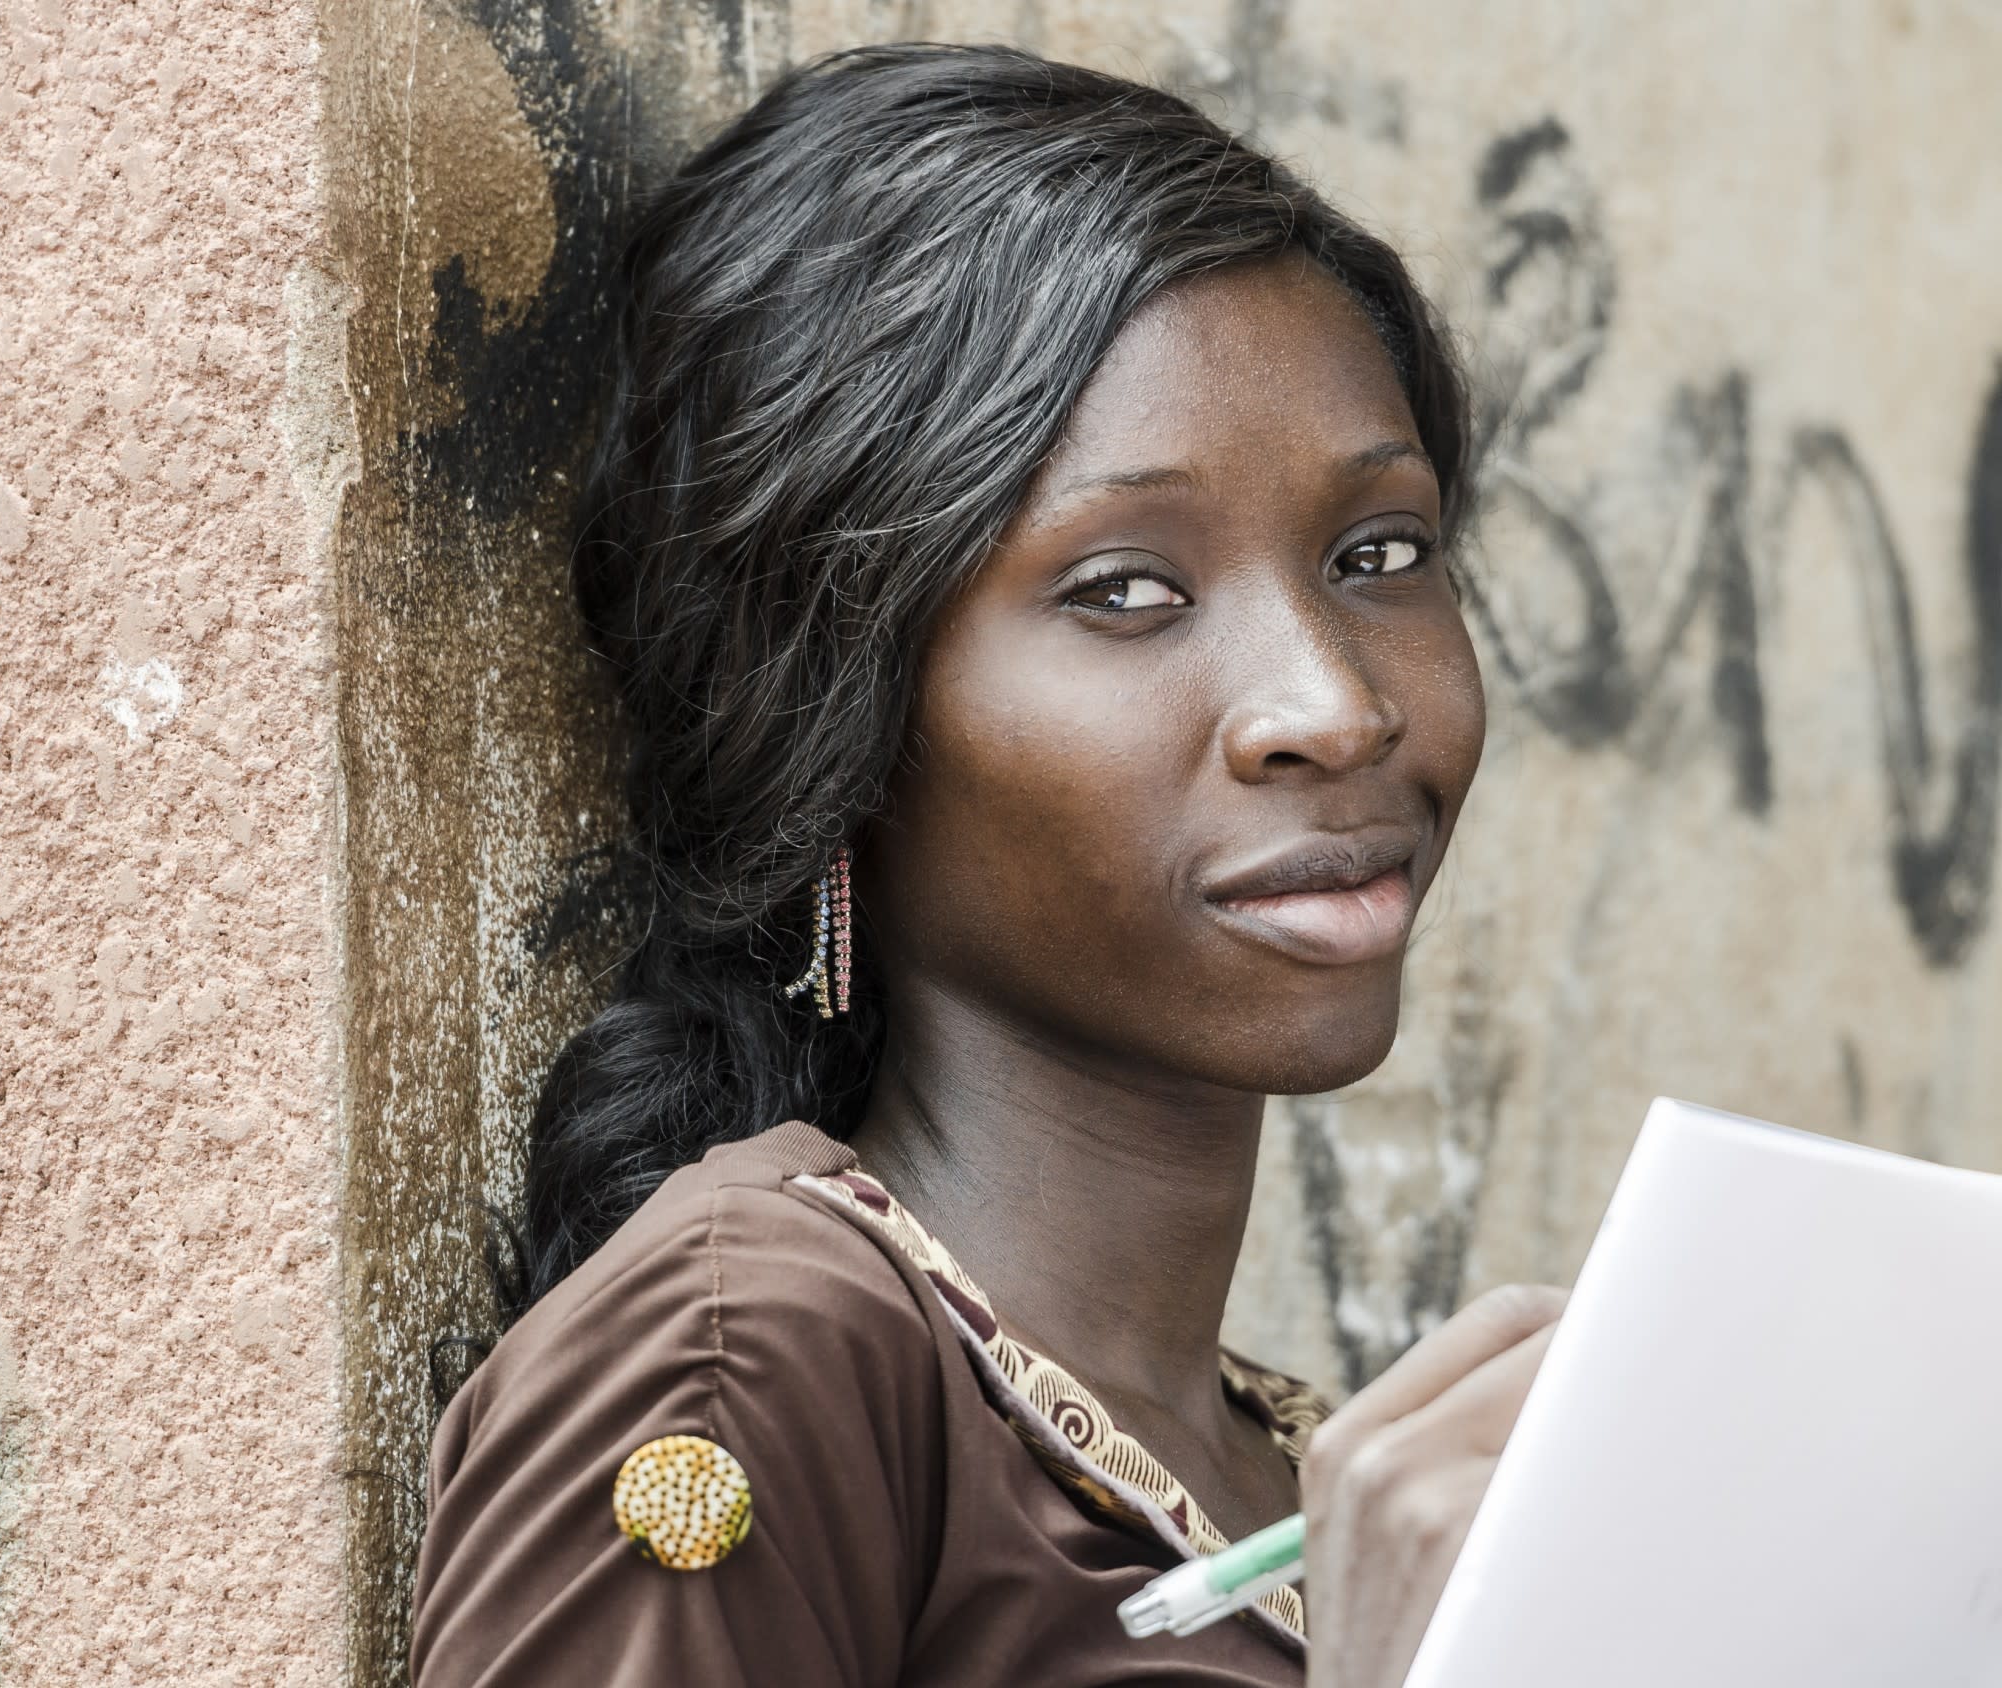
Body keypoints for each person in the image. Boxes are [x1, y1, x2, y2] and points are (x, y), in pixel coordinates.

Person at [408, 41, 1560, 1688]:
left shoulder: (1285, 1469)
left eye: (1379, 555)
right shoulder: (743, 1362)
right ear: (837, 719)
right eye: (1124, 591)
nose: (1336, 703)